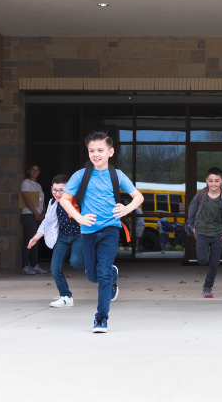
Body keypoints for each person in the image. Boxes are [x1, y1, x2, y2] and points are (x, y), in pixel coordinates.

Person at [60, 130, 144, 333]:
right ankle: (111, 274)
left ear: (110, 152)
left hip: (110, 229)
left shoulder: (117, 175)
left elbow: (138, 197)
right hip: (88, 230)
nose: (96, 154)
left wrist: (126, 209)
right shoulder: (80, 175)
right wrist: (79, 218)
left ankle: (101, 318)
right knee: (92, 276)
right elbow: (64, 199)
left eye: (100, 150)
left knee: (103, 273)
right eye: (91, 151)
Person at [27, 174, 85, 307]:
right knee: (55, 268)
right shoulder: (53, 203)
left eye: (61, 190)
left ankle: (106, 270)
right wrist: (35, 237)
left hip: (79, 235)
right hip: (63, 237)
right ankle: (66, 296)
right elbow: (47, 222)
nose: (57, 194)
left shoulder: (78, 200)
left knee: (76, 262)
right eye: (54, 190)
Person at [185, 167, 222, 298]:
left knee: (214, 263)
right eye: (211, 181)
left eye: (217, 181)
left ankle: (207, 288)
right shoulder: (201, 195)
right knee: (202, 260)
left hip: (219, 234)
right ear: (206, 181)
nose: (214, 184)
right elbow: (191, 211)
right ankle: (205, 260)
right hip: (201, 232)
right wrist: (192, 227)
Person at [20, 164, 47, 275]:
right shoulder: (26, 183)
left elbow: (41, 201)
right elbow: (26, 200)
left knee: (36, 241)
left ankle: (35, 265)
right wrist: (36, 213)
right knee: (29, 240)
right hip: (28, 215)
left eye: (37, 170)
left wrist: (44, 213)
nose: (35, 172)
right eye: (33, 170)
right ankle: (25, 266)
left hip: (38, 215)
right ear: (28, 171)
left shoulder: (38, 185)